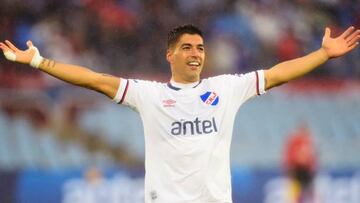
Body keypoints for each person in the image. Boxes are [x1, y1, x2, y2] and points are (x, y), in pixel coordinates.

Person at [1, 24, 359, 203]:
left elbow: (278, 73)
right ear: (169, 55)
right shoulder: (149, 95)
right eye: (186, 47)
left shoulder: (226, 89)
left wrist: (322, 55)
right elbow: (94, 79)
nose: (195, 53)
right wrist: (38, 61)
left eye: (200, 48)